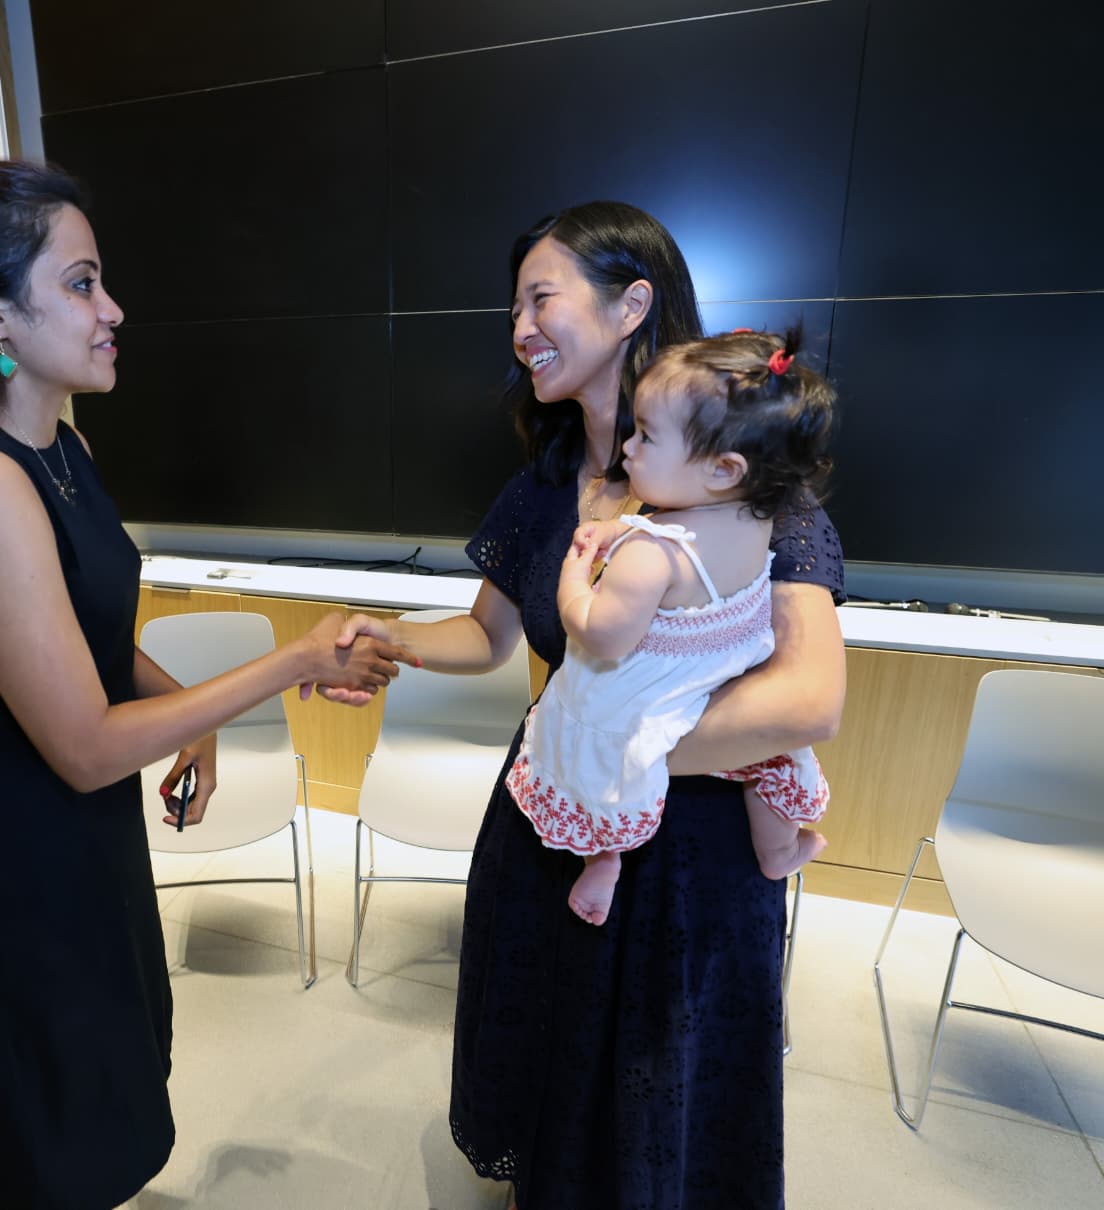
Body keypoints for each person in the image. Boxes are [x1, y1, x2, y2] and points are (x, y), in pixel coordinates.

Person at [0, 159, 413, 1210]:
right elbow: (86, 740)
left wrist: (180, 716)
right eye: (81, 284)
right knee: (42, 1114)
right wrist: (287, 664)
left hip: (74, 821)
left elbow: (87, 641)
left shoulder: (62, 443)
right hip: (3, 838)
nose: (114, 310)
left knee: (102, 1071)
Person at [325, 201, 845, 1208]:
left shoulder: (750, 486)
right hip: (554, 814)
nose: (517, 326)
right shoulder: (546, 481)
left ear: (628, 304)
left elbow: (808, 696)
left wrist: (624, 752)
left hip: (690, 850)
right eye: (511, 304)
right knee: (555, 1058)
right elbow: (486, 635)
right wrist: (388, 641)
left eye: (539, 297)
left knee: (659, 1088)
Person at [509, 327, 836, 927]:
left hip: (646, 694)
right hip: (717, 678)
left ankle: (603, 858)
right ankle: (781, 850)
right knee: (771, 761)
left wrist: (573, 580)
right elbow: (684, 541)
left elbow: (602, 634)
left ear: (721, 467)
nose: (628, 449)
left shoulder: (650, 555)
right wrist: (620, 531)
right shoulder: (753, 516)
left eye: (646, 436)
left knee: (598, 749)